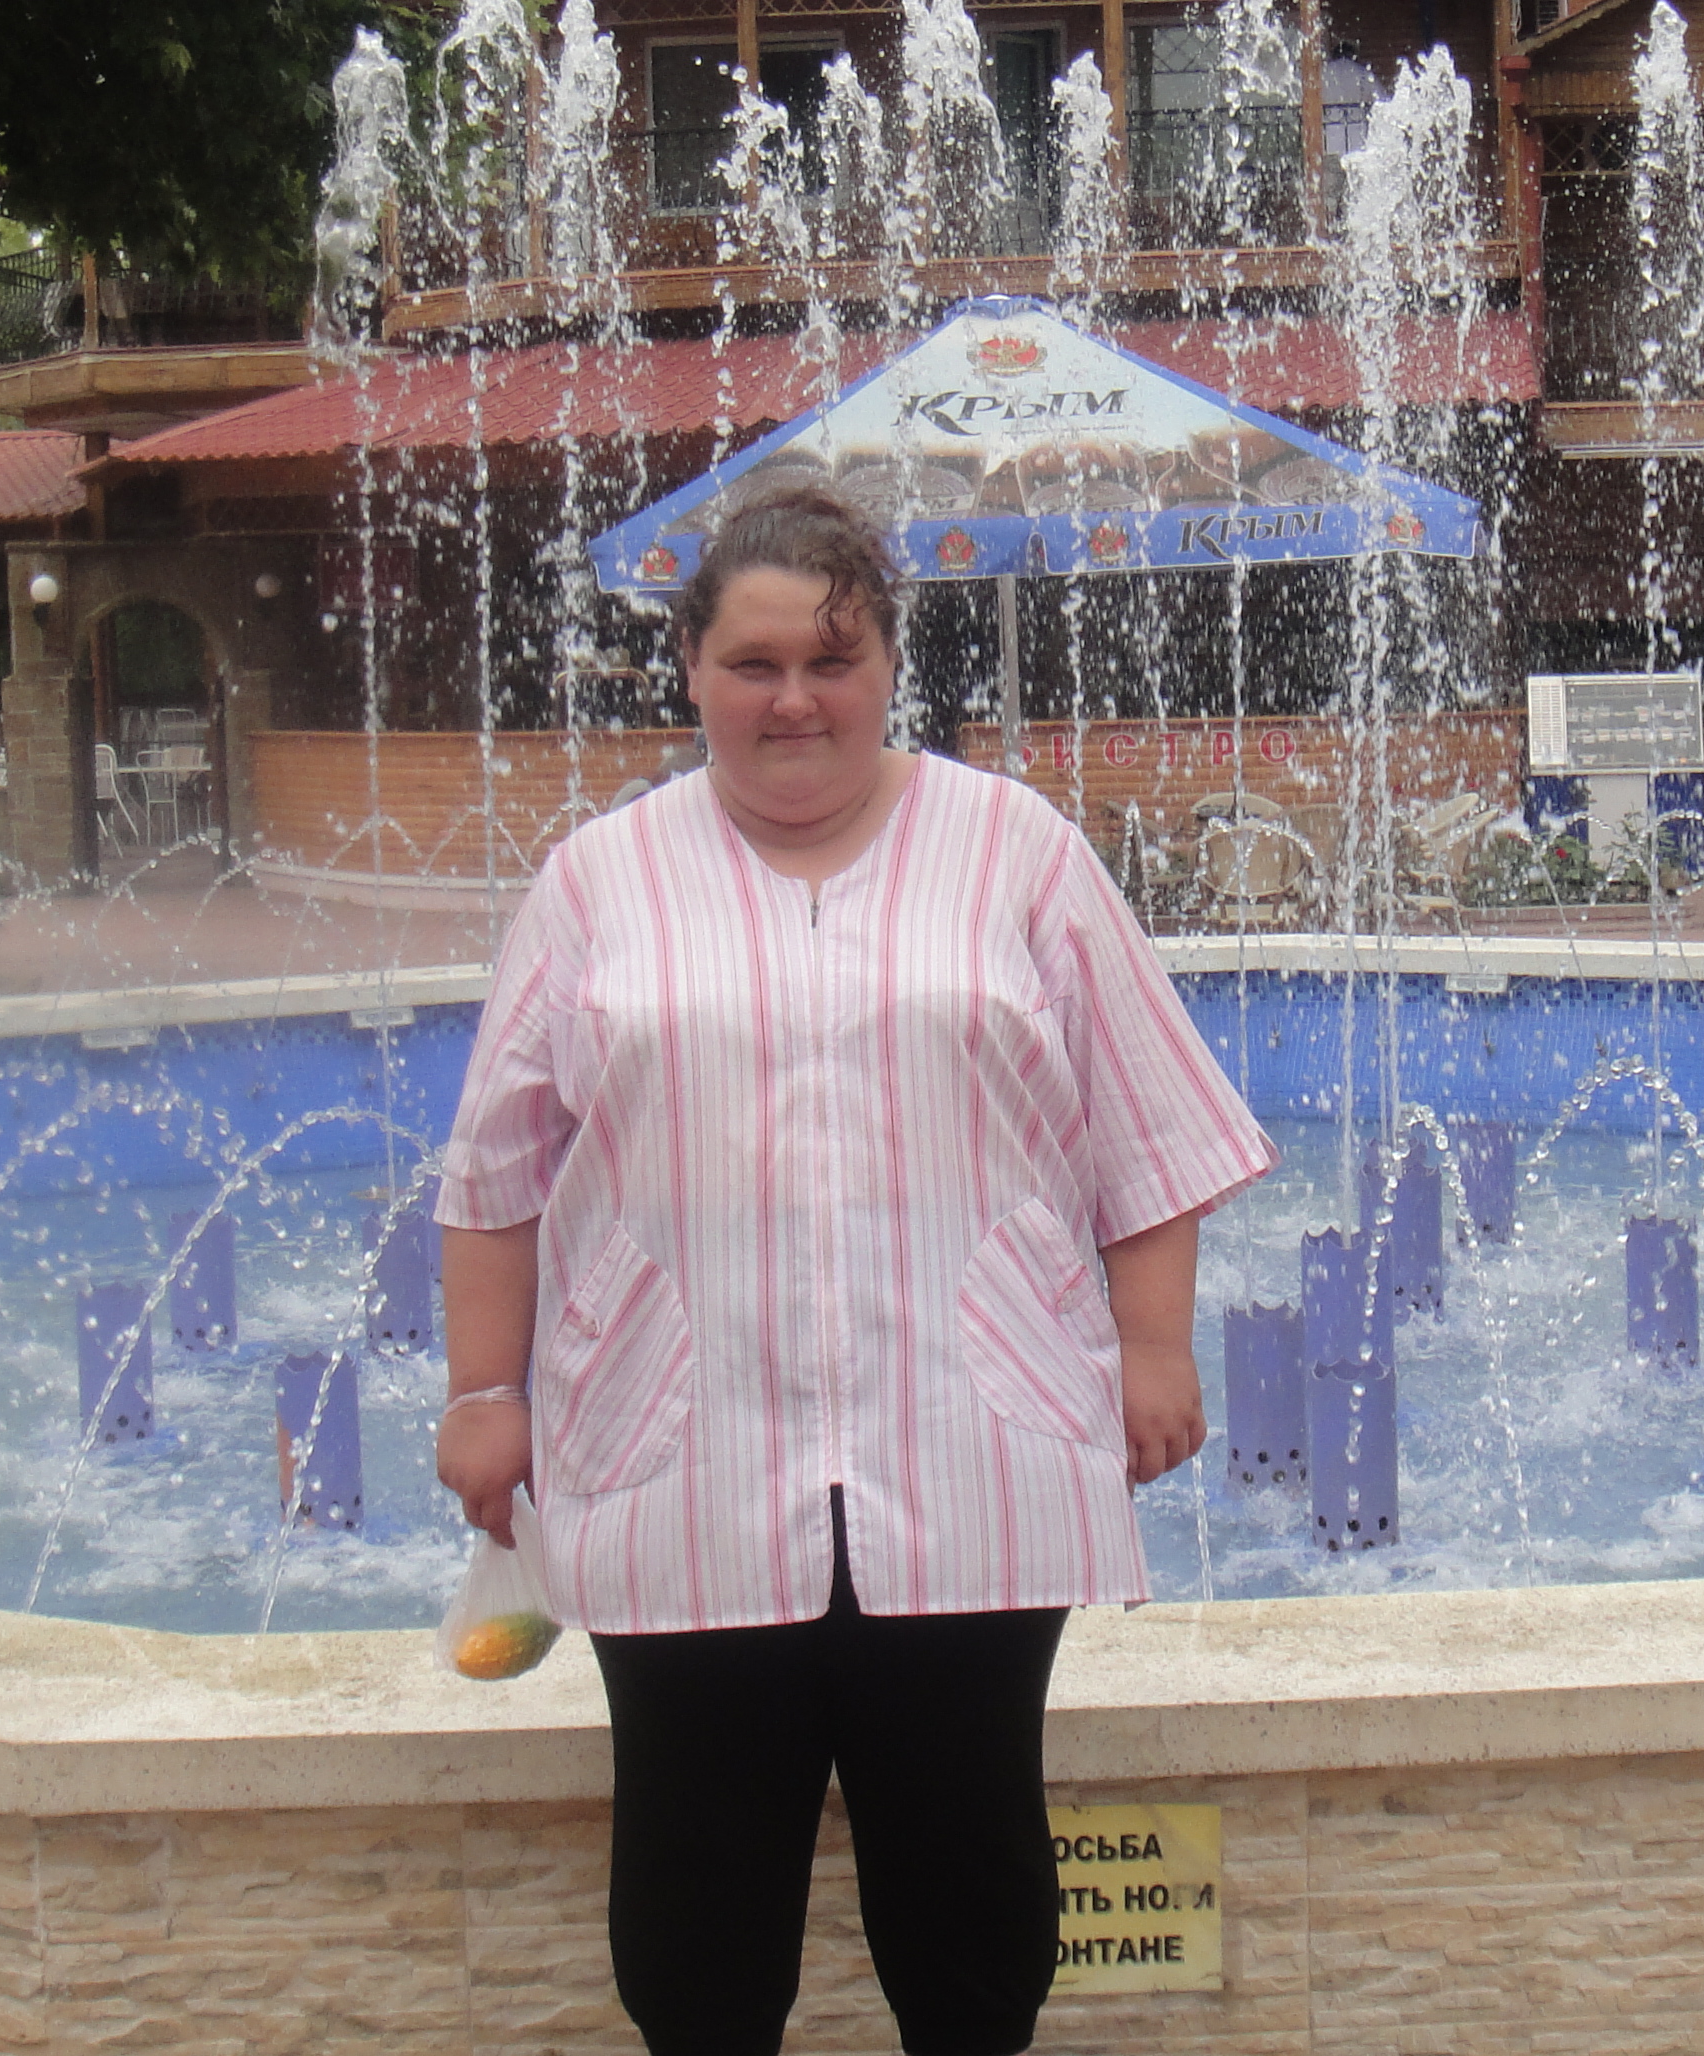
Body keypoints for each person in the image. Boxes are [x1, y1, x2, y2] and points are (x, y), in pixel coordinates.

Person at [427, 485, 1276, 2056]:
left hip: (972, 1447)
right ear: (691, 670)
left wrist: (1154, 1348)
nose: (794, 699)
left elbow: (1143, 1125)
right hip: (674, 1453)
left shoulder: (1018, 855)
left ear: (889, 665)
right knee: (695, 1909)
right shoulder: (599, 885)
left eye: (833, 659)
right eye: (753, 664)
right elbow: (496, 1174)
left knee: (970, 1894)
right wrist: (486, 1392)